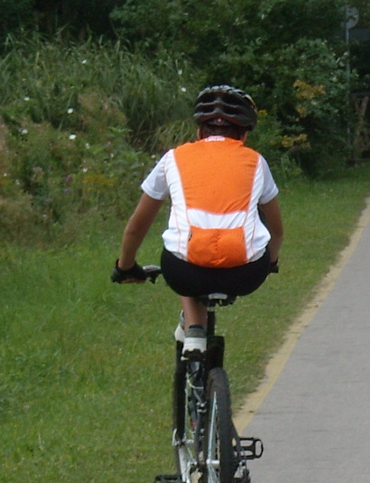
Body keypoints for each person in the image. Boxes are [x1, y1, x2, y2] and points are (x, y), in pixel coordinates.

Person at [114, 85, 283, 356]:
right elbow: (276, 229)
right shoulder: (256, 162)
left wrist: (126, 266)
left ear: (199, 132)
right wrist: (271, 261)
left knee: (183, 248)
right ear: (244, 134)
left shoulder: (174, 158)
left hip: (185, 273)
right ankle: (196, 331)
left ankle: (194, 328)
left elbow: (137, 226)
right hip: (246, 274)